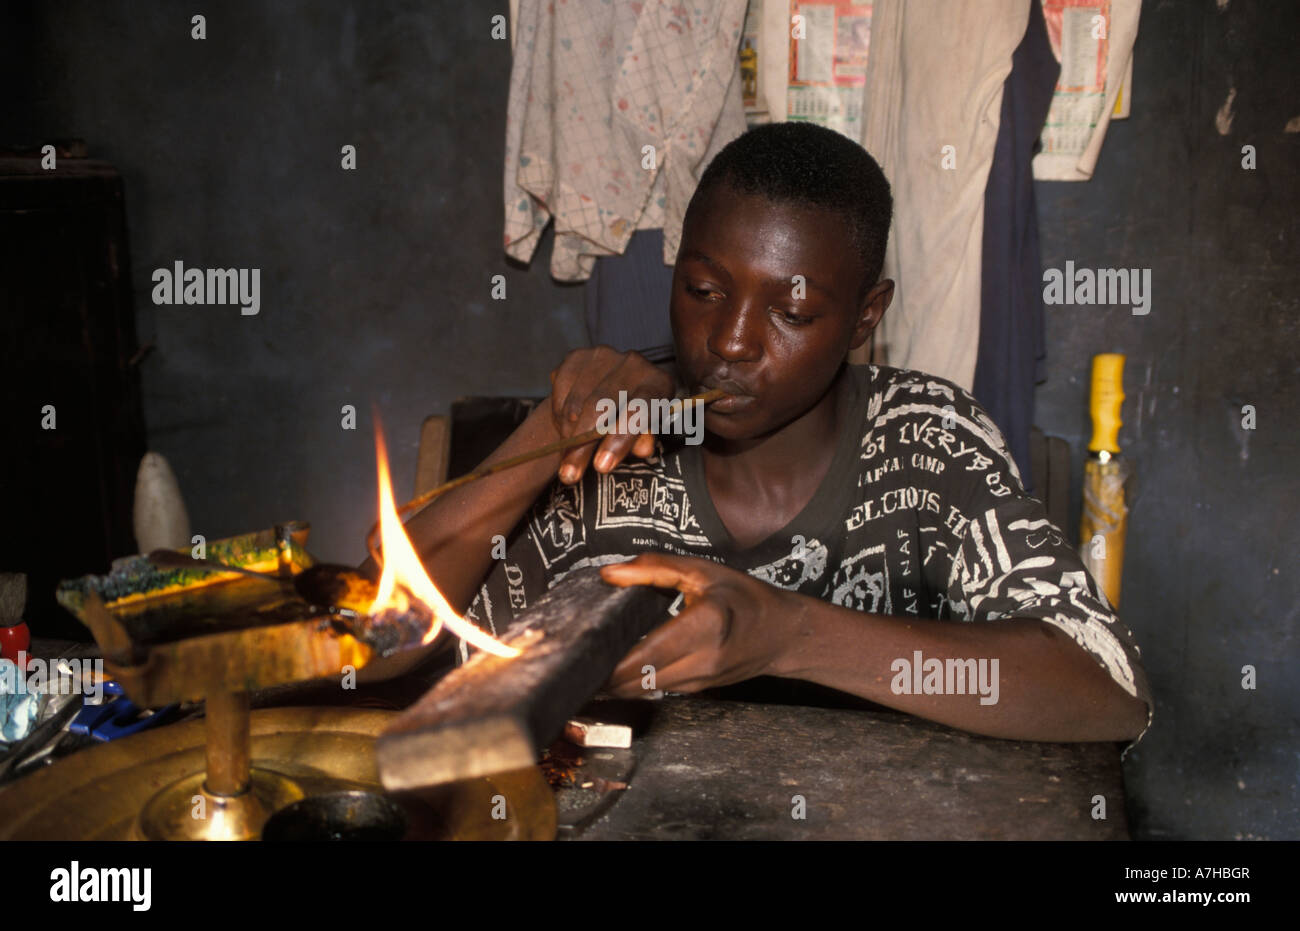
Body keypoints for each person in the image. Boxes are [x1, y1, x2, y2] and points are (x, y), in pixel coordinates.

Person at [389, 121, 1152, 745]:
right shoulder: (610, 451)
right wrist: (548, 431)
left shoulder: (928, 444)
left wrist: (791, 634)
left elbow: (1106, 687)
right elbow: (392, 635)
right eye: (703, 290)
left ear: (864, 317)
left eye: (790, 312)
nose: (730, 341)